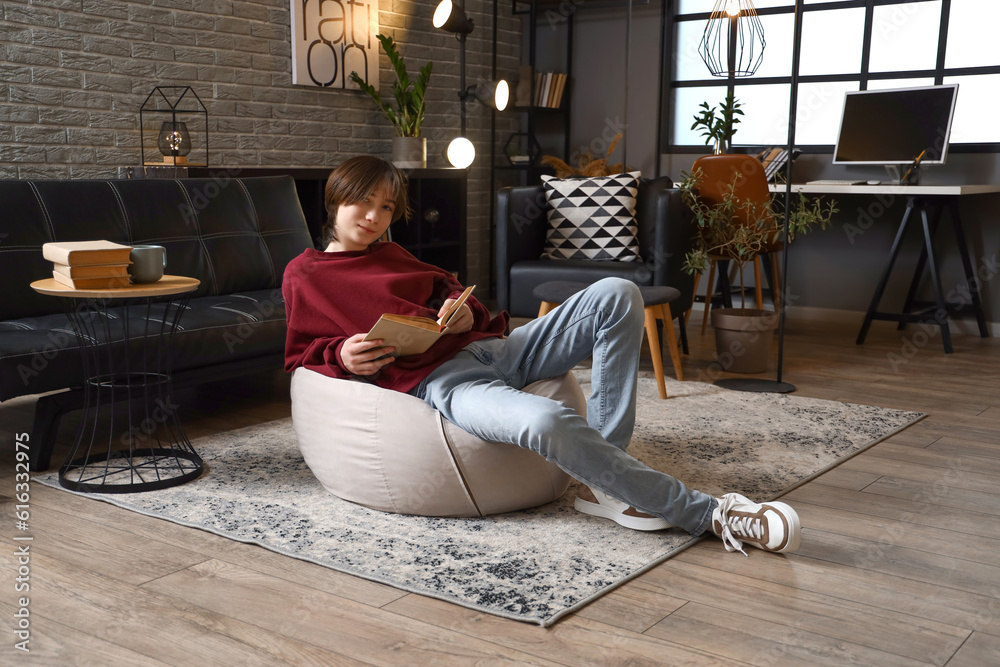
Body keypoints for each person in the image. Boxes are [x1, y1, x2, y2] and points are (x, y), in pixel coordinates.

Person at [283, 155, 801, 555]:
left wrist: (467, 315)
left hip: (502, 350)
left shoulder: (394, 254)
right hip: (450, 384)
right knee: (550, 419)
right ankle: (710, 514)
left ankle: (606, 480)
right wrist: (343, 355)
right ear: (335, 201)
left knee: (618, 292)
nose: (375, 217)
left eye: (387, 207)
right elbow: (301, 353)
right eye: (363, 203)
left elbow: (465, 302)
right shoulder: (305, 274)